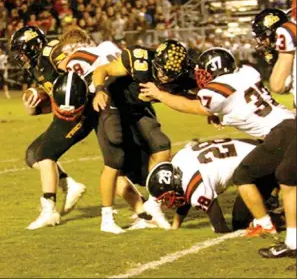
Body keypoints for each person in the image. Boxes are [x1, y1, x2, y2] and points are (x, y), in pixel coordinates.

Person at [140, 47, 296, 258]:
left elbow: (192, 106)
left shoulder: (215, 90)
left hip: (279, 133)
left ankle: (265, 224)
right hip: (287, 123)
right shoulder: (247, 72)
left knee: (244, 175)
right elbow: (241, 103)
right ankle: (278, 219)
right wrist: (220, 114)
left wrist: (160, 94)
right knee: (283, 178)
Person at [10, 26, 155, 233]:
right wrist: (36, 102)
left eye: (22, 51)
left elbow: (76, 79)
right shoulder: (37, 66)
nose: (20, 56)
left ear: (33, 46)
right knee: (35, 155)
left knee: (45, 153)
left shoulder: (52, 51)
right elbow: (60, 93)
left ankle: (49, 208)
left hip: (89, 108)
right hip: (80, 109)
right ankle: (143, 210)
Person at [92, 40, 198, 231]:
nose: (164, 78)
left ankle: (152, 205)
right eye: (162, 71)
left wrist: (213, 112)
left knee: (162, 146)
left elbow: (197, 95)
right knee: (116, 162)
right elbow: (101, 71)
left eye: (170, 75)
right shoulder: (140, 59)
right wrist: (99, 91)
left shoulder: (186, 74)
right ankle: (107, 218)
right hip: (113, 106)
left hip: (138, 109)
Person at [145, 138, 284, 233]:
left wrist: (221, 231)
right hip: (256, 147)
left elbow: (220, 227)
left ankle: (284, 217)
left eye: (168, 196)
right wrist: (176, 226)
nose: (168, 201)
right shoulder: (179, 160)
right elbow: (185, 194)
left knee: (241, 223)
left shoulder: (195, 188)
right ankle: (271, 200)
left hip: (260, 162)